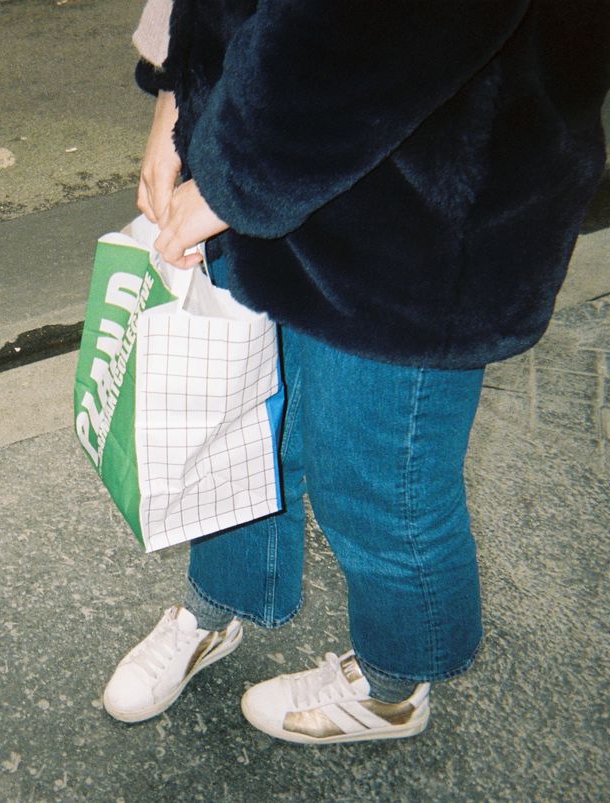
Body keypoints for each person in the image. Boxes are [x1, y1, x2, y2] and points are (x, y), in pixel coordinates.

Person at [102, 0, 609, 744]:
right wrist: (177, 100)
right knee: (242, 410)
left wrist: (232, 175)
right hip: (263, 139)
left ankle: (393, 686)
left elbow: (384, 23)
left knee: (379, 478)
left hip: (426, 197)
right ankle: (218, 602)